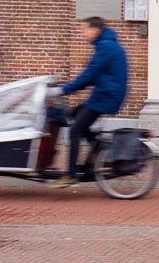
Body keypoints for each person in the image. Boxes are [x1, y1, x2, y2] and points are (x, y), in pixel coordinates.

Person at [53, 16, 129, 186]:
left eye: (84, 30)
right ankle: (96, 145)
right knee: (73, 115)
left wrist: (63, 90)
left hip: (106, 97)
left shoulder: (105, 47)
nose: (83, 34)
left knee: (74, 131)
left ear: (94, 29)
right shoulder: (106, 44)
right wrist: (70, 88)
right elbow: (94, 75)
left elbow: (89, 75)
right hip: (104, 94)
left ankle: (71, 175)